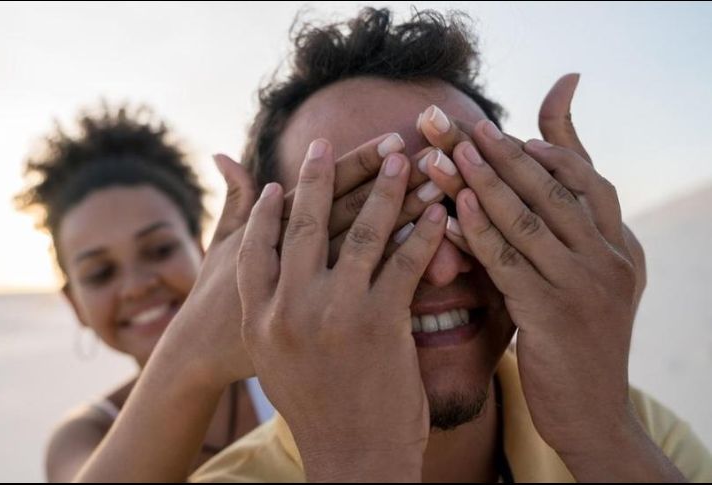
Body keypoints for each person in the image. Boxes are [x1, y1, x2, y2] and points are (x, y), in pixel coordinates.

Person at [194, 7, 712, 482]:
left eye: (466, 207)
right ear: (269, 271)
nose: (440, 267)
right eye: (362, 228)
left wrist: (602, 436)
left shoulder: (635, 436)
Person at [15, 104, 266, 482]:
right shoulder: (85, 437)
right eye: (100, 273)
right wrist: (193, 355)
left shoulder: (283, 366)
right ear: (75, 305)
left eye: (160, 250)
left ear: (202, 251)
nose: (136, 286)